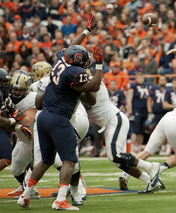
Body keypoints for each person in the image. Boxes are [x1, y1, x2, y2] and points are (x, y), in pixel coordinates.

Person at [18, 13, 102, 210]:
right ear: (80, 62)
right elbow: (93, 88)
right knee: (70, 160)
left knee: (46, 160)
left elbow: (72, 47)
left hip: (43, 117)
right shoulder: (75, 73)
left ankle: (25, 196)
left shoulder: (61, 61)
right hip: (59, 119)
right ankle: (61, 199)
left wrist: (86, 31)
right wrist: (99, 65)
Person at [126, 72, 149, 155]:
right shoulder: (133, 86)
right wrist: (130, 112)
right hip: (136, 110)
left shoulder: (147, 85)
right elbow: (129, 100)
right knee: (135, 130)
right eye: (139, 78)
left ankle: (138, 148)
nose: (140, 79)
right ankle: (132, 148)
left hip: (144, 110)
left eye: (141, 78)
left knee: (142, 131)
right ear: (136, 78)